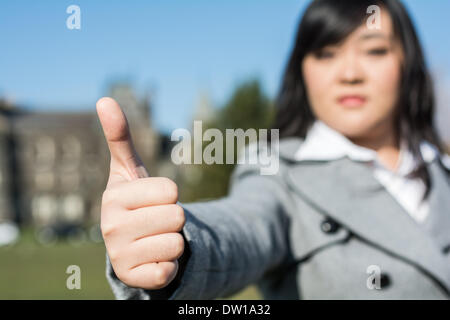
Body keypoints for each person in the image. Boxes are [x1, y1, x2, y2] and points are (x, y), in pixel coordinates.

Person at [96, 0, 450, 299]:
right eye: (327, 53)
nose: (350, 72)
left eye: (374, 50)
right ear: (302, 72)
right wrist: (176, 246)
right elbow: (242, 227)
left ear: (408, 64)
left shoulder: (442, 169)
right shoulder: (279, 171)